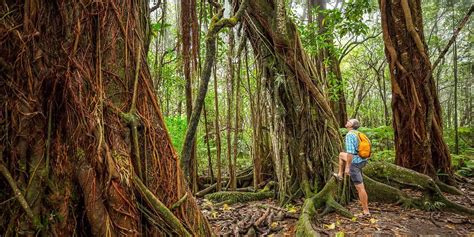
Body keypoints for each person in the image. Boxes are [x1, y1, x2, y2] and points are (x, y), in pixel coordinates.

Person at [335, 118, 370, 216]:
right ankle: (339, 175)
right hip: (362, 160)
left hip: (354, 163)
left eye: (349, 121)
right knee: (341, 154)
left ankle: (366, 211)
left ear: (352, 125)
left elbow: (350, 153)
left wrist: (348, 167)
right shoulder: (358, 134)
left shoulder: (350, 135)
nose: (347, 121)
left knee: (360, 188)